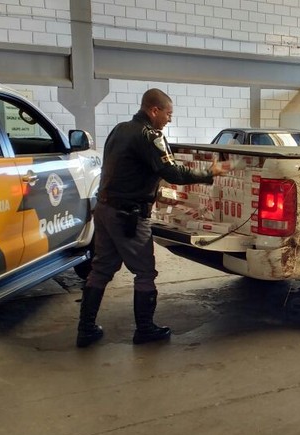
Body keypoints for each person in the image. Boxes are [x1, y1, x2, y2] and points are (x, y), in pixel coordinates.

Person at [76, 88, 227, 348]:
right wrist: (208, 172)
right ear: (153, 110)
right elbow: (172, 172)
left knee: (100, 269)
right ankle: (145, 329)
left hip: (105, 209)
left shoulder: (119, 129)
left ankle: (85, 329)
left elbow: (127, 169)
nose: (169, 119)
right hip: (128, 215)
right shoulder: (150, 136)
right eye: (168, 114)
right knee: (145, 272)